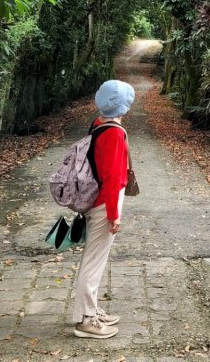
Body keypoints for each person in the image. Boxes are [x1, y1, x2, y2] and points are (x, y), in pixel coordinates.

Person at [70, 79, 135, 339]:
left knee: (93, 259)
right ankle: (86, 321)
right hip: (103, 204)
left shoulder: (99, 125)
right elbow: (111, 177)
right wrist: (113, 215)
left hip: (95, 201)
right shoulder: (114, 133)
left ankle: (90, 310)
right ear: (124, 105)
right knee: (93, 262)